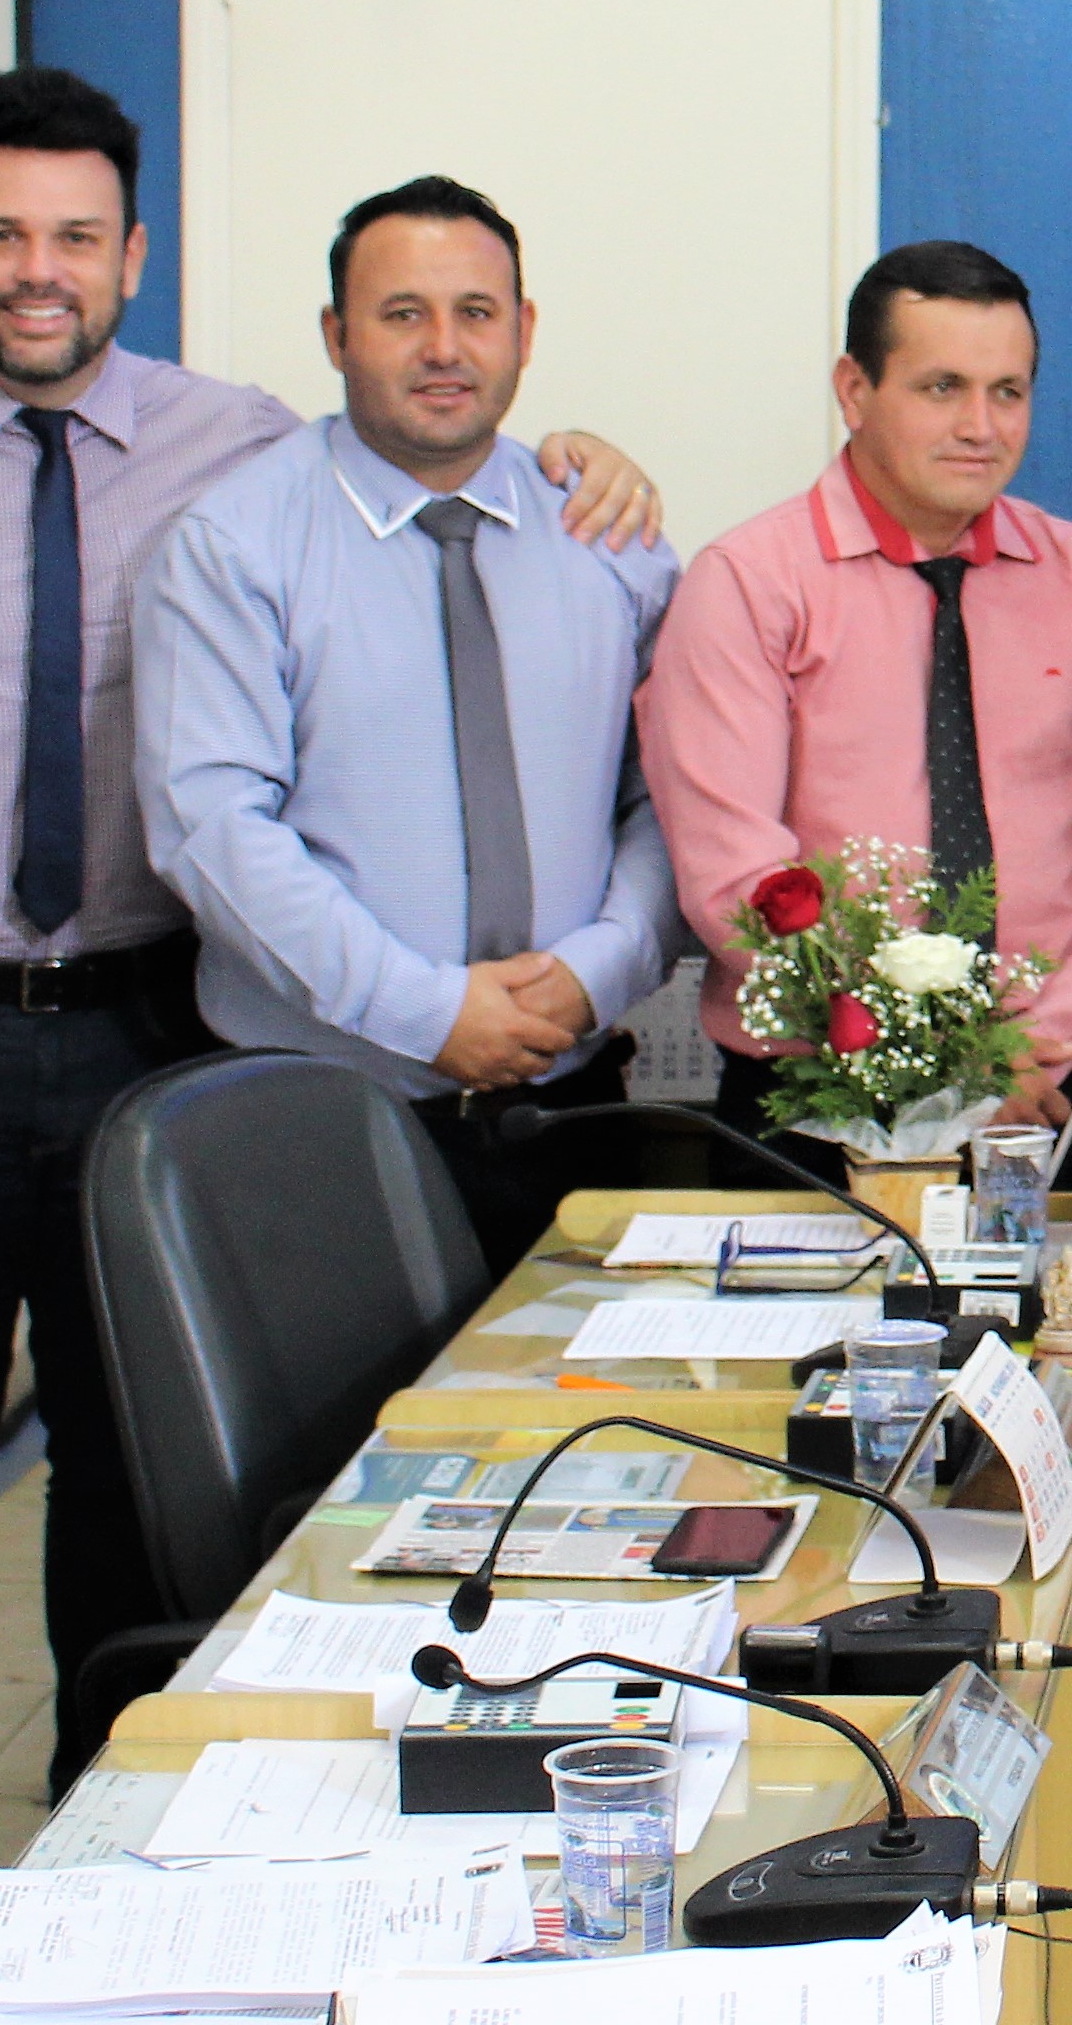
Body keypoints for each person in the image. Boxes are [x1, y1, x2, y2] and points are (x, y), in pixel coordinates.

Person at [0, 71, 661, 1727]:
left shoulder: (242, 441)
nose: (41, 268)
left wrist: (585, 457)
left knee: (142, 1455)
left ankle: (115, 1790)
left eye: (77, 234)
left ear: (133, 253)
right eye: (2, 234)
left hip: (149, 1025)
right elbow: (204, 811)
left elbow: (445, 461)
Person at [135, 177, 682, 1277]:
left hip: (573, 1102)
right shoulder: (234, 545)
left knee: (580, 1387)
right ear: (336, 335)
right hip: (323, 1113)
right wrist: (427, 1011)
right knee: (338, 1395)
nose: (444, 347)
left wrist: (603, 966)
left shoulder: (608, 540)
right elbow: (213, 827)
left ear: (523, 331)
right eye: (402, 314)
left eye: (476, 312)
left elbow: (673, 797)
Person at [643, 239, 1072, 1137]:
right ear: (854, 390)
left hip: (1038, 1093)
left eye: (1008, 392)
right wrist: (925, 1055)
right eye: (942, 387)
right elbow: (733, 873)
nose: (981, 426)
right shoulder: (750, 583)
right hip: (814, 1099)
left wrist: (1035, 1045)